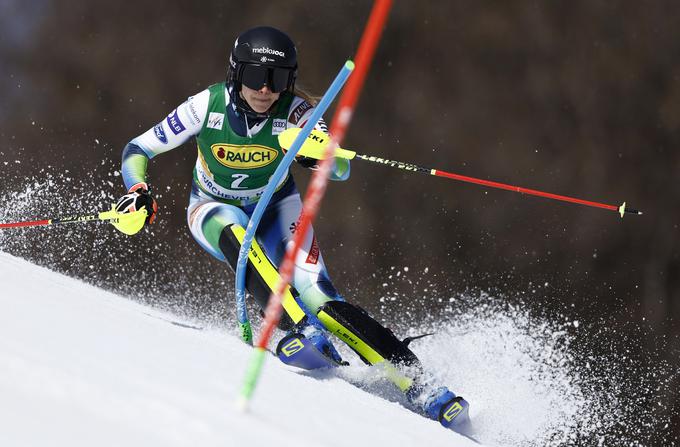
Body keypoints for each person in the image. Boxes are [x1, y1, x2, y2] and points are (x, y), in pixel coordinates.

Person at [115, 26, 469, 429]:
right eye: (255, 78)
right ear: (236, 74)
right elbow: (139, 148)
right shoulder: (206, 106)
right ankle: (303, 330)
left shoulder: (297, 113)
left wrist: (316, 154)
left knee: (323, 300)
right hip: (212, 205)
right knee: (236, 239)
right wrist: (138, 190)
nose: (265, 90)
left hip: (277, 208)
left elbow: (341, 168)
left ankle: (423, 385)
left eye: (278, 79)